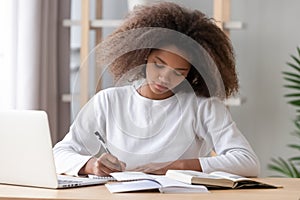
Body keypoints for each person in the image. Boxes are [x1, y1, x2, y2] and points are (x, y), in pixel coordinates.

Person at [53, 2, 260, 177]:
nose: (164, 78)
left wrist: (176, 167)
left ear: (192, 73)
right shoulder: (108, 101)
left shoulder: (201, 106)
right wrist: (92, 165)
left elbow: (248, 161)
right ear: (143, 55)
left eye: (178, 72)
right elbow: (59, 154)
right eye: (158, 64)